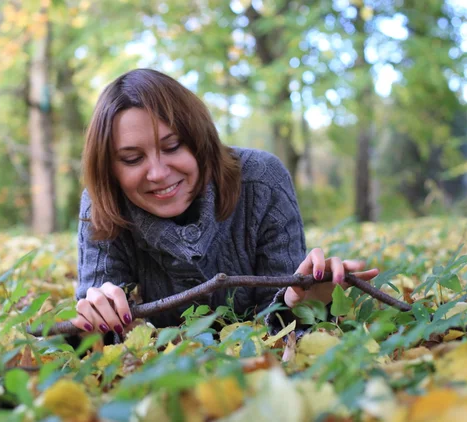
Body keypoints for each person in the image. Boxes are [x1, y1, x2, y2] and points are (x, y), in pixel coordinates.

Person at [72, 68, 379, 337]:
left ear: (199, 139)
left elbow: (286, 320)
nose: (157, 173)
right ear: (110, 169)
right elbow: (93, 340)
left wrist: (301, 302)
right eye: (132, 158)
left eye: (173, 146)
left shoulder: (261, 180)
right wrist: (104, 318)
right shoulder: (102, 203)